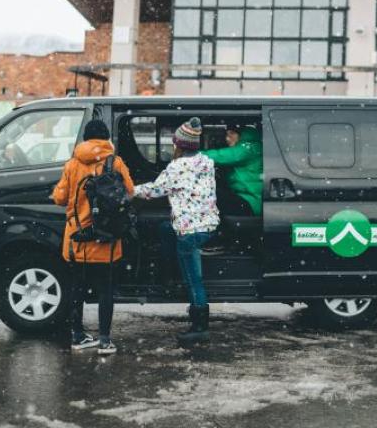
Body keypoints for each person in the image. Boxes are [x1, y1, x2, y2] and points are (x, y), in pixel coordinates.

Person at [133, 117, 220, 345]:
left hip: (190, 231)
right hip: (209, 225)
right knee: (164, 228)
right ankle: (167, 274)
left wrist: (128, 190)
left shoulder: (177, 167)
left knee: (194, 280)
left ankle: (199, 326)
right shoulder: (206, 162)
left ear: (180, 144)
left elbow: (153, 191)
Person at [51, 119, 134, 355]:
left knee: (77, 289)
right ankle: (105, 340)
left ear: (85, 139)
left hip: (78, 240)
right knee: (106, 290)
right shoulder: (115, 162)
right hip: (106, 239)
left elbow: (59, 197)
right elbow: (130, 192)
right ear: (106, 138)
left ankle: (78, 336)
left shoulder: (72, 164)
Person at [201, 125, 263, 216]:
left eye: (232, 134)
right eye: (227, 135)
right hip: (244, 198)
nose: (227, 139)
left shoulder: (248, 148)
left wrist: (192, 156)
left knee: (206, 193)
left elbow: (221, 156)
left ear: (242, 135)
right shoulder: (250, 147)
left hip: (250, 201)